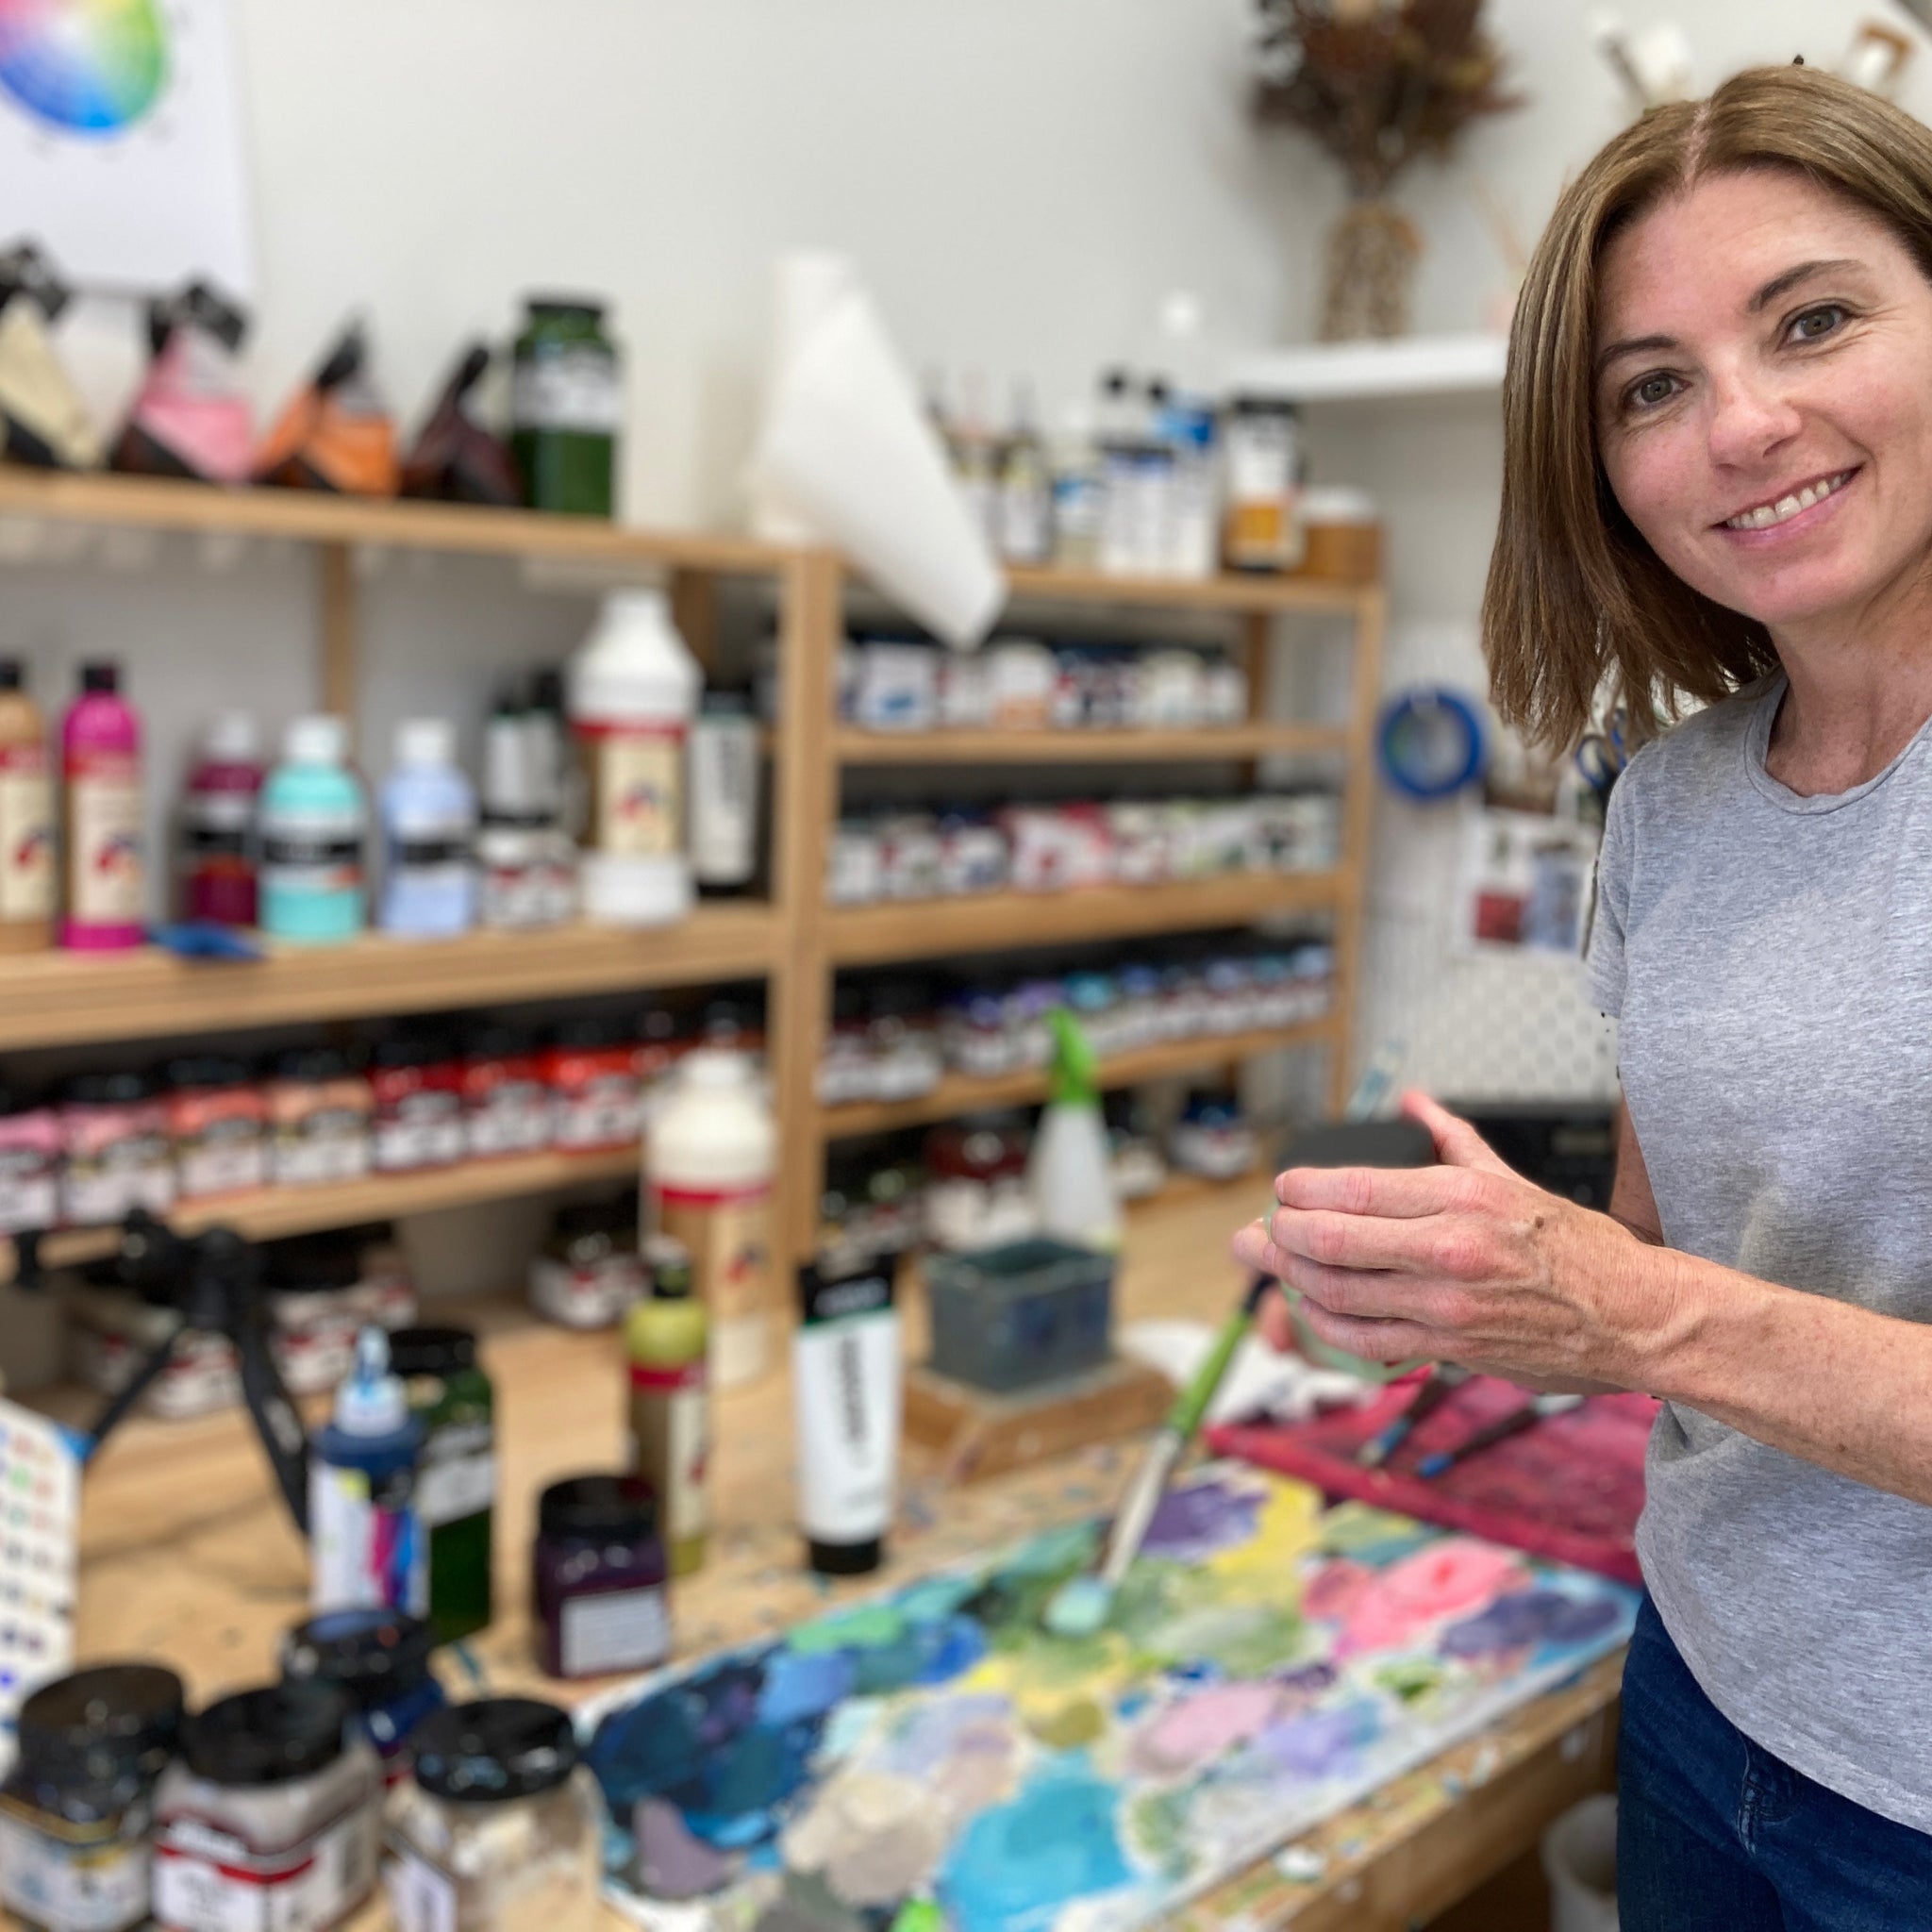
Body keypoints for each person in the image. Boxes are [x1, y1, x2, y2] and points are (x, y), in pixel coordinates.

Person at [1232, 64, 1932, 1929]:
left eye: (1813, 320)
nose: (1742, 423)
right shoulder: (1671, 795)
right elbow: (1627, 1218)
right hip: (1704, 1694)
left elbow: (1637, 1294)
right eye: (1651, 385)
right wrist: (1420, 1241)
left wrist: (1621, 1309)